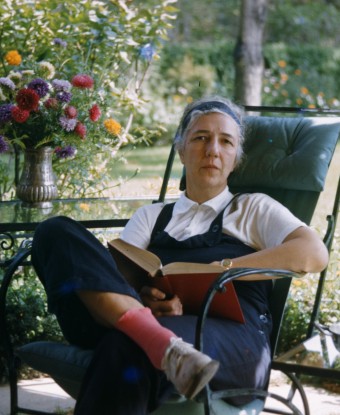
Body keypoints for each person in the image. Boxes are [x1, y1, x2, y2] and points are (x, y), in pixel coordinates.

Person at [31, 96, 329, 415]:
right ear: (180, 149)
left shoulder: (253, 208)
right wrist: (144, 299)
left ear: (235, 159)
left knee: (127, 344)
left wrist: (223, 269)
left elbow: (313, 253)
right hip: (155, 322)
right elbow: (119, 277)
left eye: (226, 141)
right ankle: (155, 336)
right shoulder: (151, 216)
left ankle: (152, 338)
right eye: (200, 138)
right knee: (54, 230)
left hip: (231, 339)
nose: (212, 149)